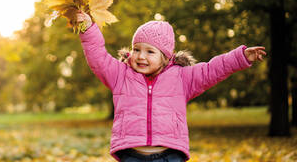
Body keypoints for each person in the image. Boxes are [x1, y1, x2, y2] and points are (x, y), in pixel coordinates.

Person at [76, 11, 266, 162]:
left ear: (166, 57)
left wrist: (240, 57)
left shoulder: (182, 77)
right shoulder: (120, 75)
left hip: (170, 156)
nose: (141, 56)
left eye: (150, 51)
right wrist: (88, 28)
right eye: (136, 49)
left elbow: (213, 69)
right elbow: (97, 56)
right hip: (131, 155)